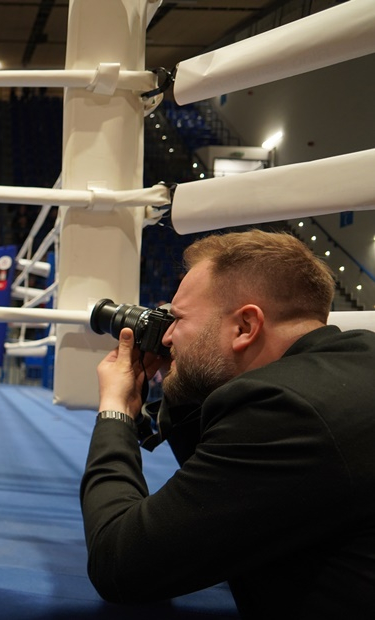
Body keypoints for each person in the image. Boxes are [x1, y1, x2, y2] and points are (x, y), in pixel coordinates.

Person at [81, 230, 375, 618]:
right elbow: (220, 504)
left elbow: (119, 565)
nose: (167, 337)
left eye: (178, 318)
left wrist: (116, 409)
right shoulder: (356, 359)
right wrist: (185, 379)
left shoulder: (283, 412)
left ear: (245, 326)